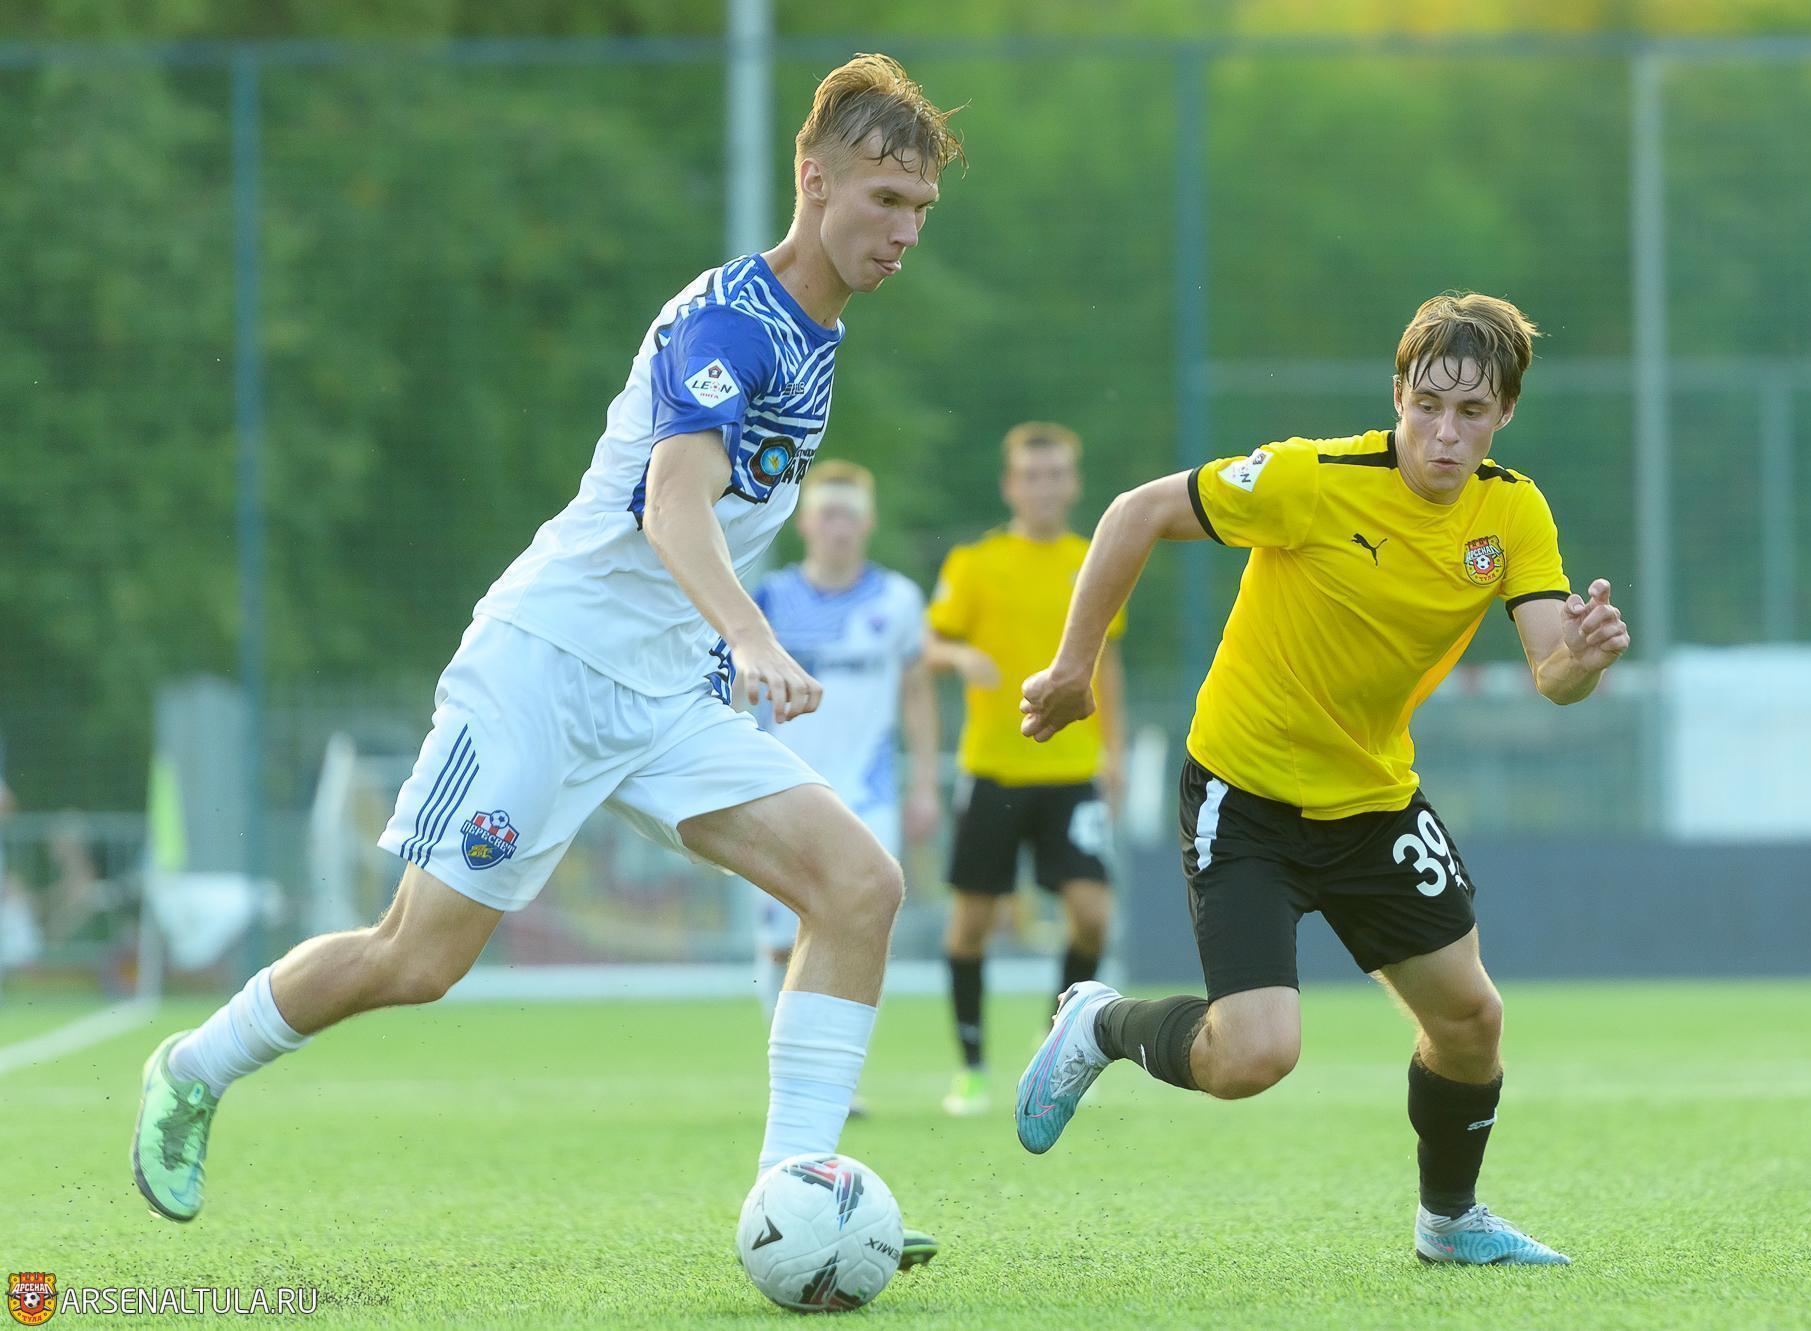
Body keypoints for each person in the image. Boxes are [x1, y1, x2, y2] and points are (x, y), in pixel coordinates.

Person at [131, 56, 959, 1271]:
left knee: (858, 886)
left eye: (920, 209)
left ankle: (800, 1197)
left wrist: (714, 645)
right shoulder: (730, 324)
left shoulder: (817, 331)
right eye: (885, 200)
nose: (904, 232)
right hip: (548, 667)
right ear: (813, 178)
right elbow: (671, 508)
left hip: (663, 691)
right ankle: (191, 1068)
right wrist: (751, 634)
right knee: (415, 958)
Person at [1013, 293, 1630, 1266]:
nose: (1444, 432)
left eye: (1471, 412)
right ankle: (1100, 1022)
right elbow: (1136, 512)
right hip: (1246, 793)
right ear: (1397, 395)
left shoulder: (1513, 509)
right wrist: (1072, 668)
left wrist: (1584, 659)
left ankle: (1448, 1221)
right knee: (1253, 1054)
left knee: (1470, 1020)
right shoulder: (1309, 478)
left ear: (1504, 413)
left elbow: (1552, 672)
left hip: (1373, 802)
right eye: (1427, 404)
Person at [926, 422, 1125, 1116]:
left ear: (1074, 484)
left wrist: (1115, 753)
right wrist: (960, 656)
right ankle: (972, 1067)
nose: (1044, 487)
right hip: (994, 769)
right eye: (1031, 476)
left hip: (1071, 771)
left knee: (1092, 917)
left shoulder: (1093, 558)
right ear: (1011, 486)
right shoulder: (976, 563)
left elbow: (1108, 660)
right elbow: (930, 644)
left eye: (1056, 475)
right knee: (971, 924)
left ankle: (1056, 1052)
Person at [748, 461, 940, 1033]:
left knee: (859, 925)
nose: (838, 526)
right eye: (827, 513)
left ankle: (836, 1060)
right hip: (781, 789)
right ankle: (785, 1052)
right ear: (805, 522)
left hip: (867, 793)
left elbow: (917, 693)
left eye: (849, 515)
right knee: (782, 939)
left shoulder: (898, 600)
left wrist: (925, 785)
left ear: (868, 523)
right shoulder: (768, 600)